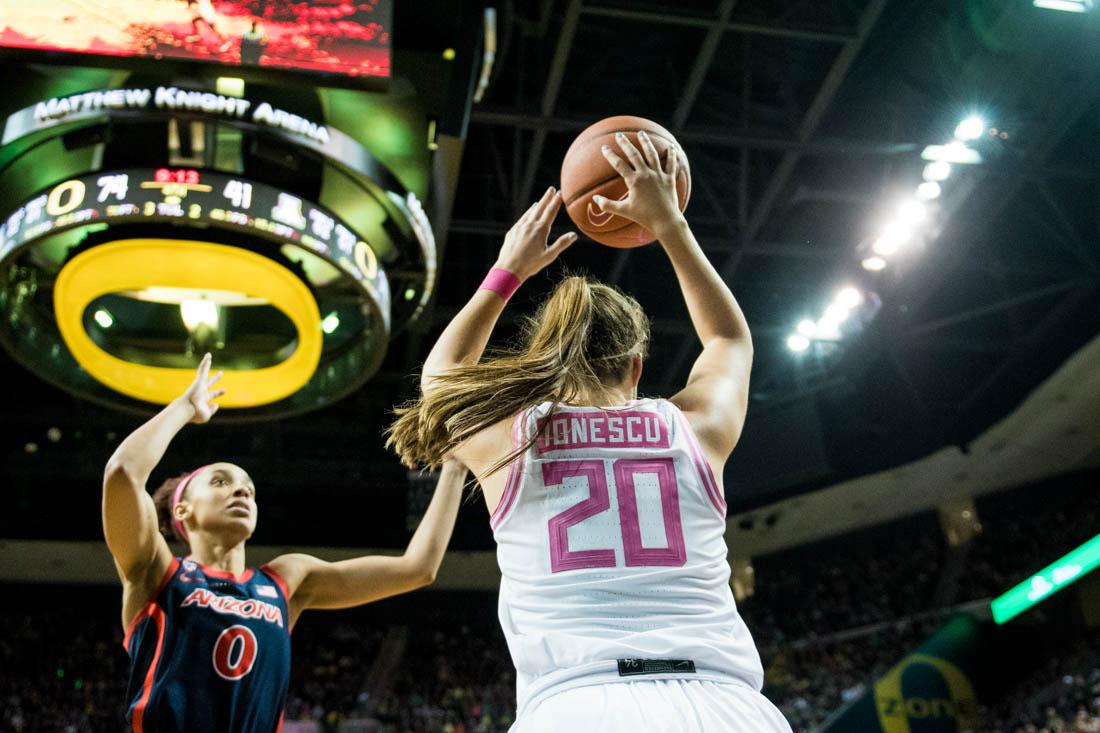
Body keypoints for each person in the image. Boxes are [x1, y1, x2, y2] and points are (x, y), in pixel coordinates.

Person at [388, 131, 791, 731]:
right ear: (636, 365)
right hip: (724, 704)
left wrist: (507, 271)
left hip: (578, 704)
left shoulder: (511, 439)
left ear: (550, 358)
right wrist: (670, 227)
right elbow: (729, 340)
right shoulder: (692, 429)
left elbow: (442, 376)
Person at [104, 353, 466, 732]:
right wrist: (184, 408)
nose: (241, 492)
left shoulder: (286, 580)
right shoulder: (157, 573)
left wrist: (456, 465)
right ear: (183, 511)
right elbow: (123, 473)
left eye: (249, 489)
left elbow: (418, 568)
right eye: (221, 482)